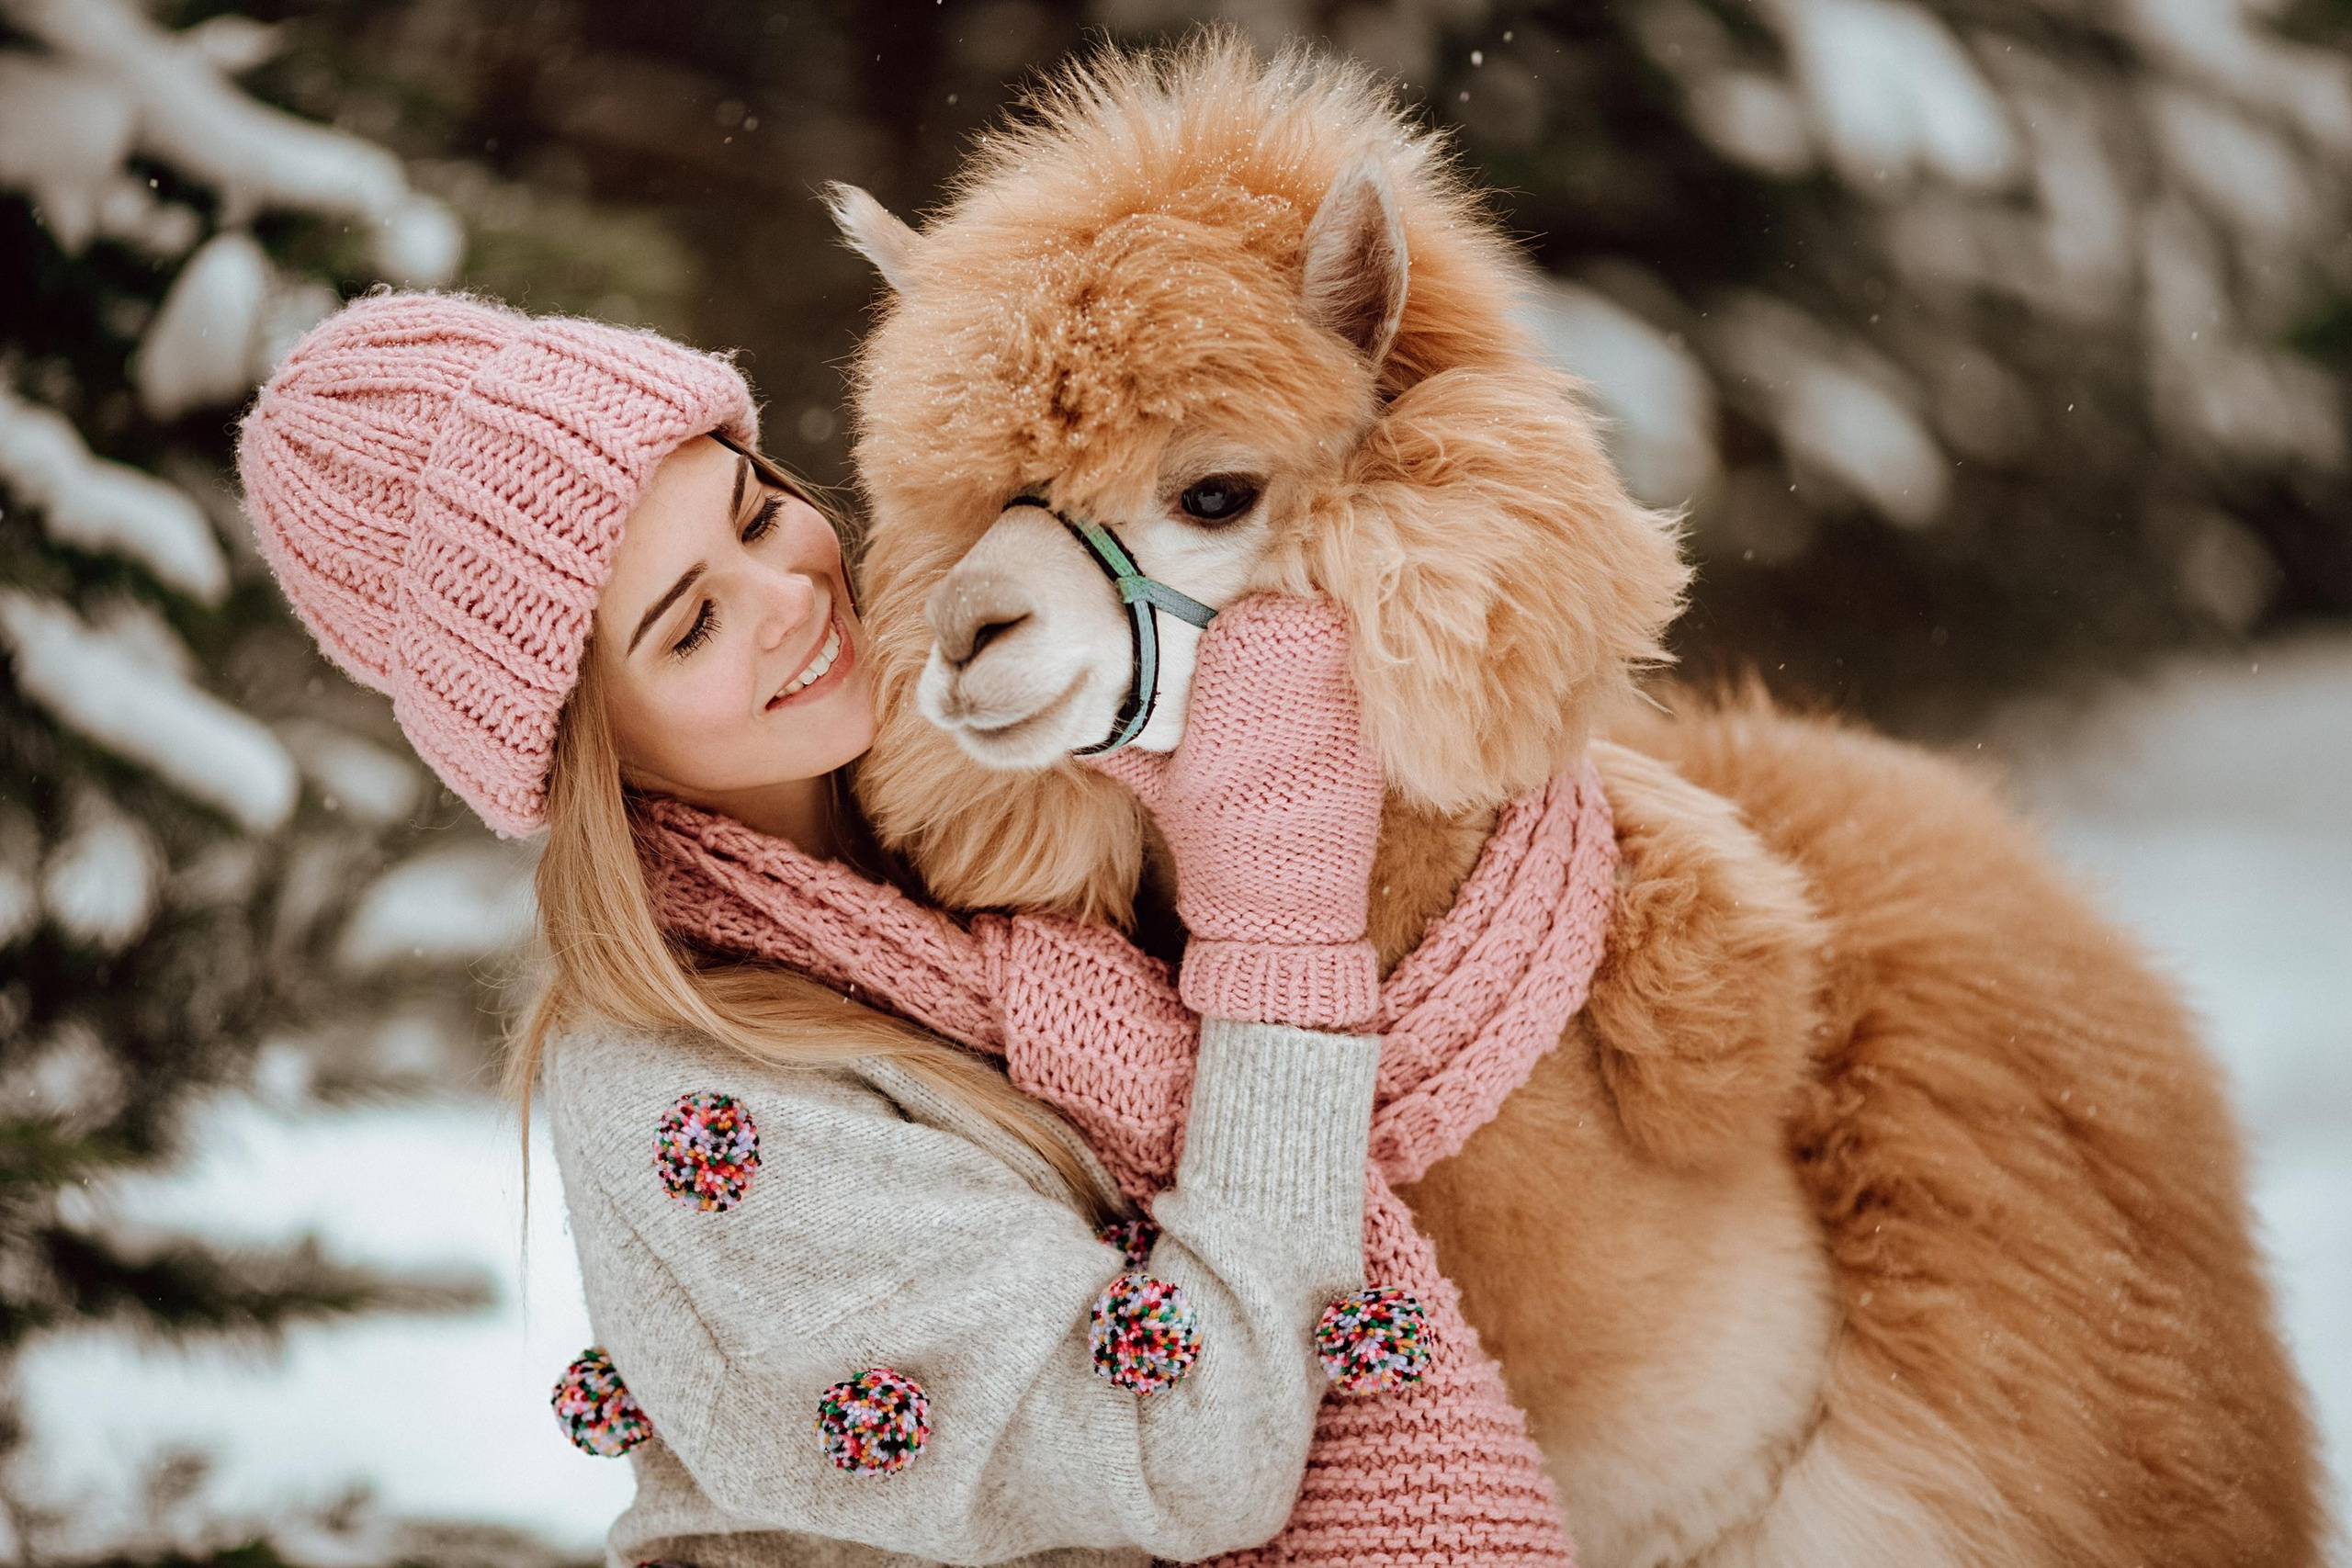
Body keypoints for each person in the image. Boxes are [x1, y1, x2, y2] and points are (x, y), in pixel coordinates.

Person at [235, 291, 1389, 1568]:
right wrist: (1283, 942)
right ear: (590, 753)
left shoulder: (1009, 788)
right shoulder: (688, 1106)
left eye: (756, 512)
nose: (786, 593)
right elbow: (1191, 1455)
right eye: (694, 623)